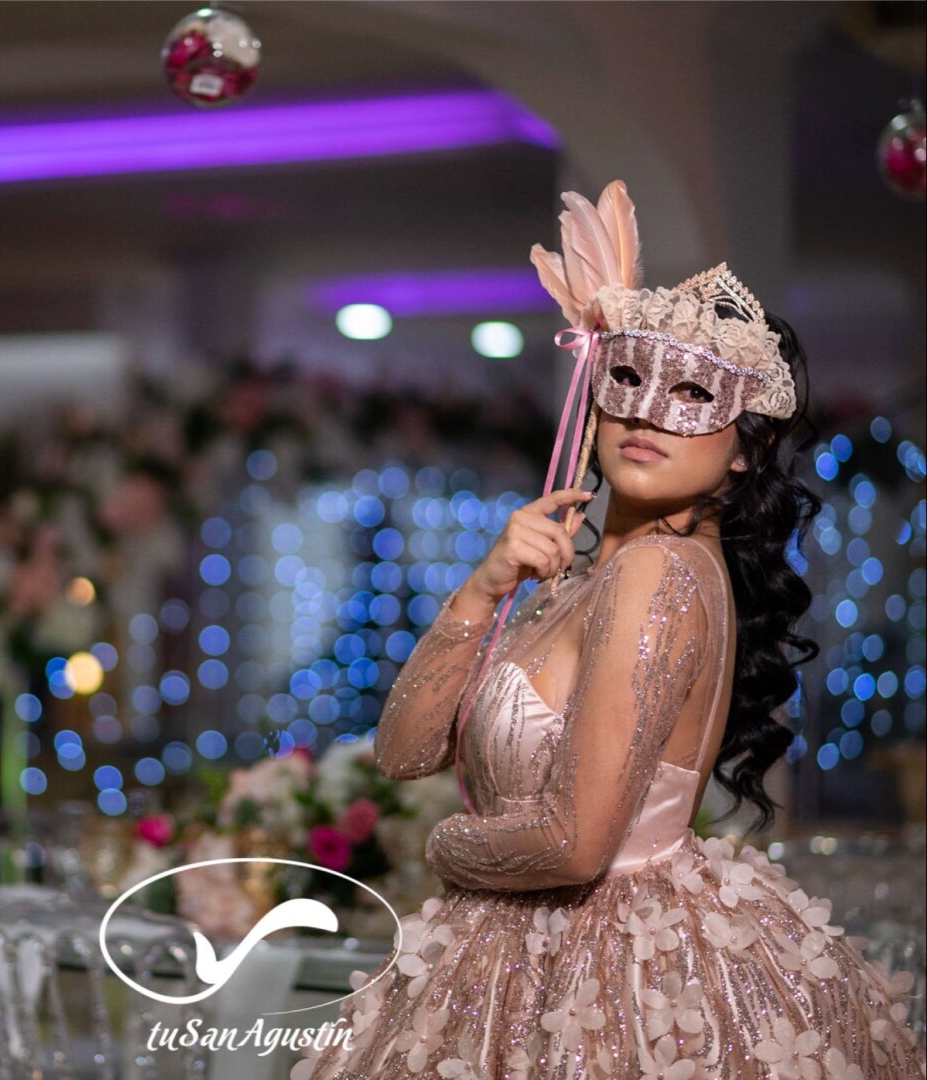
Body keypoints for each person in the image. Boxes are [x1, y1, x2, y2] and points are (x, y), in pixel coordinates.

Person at [293, 183, 925, 1079]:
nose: (647, 411)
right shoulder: (579, 581)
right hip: (530, 943)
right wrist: (484, 585)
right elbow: (402, 751)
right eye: (626, 379)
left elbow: (573, 843)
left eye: (693, 393)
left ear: (742, 449)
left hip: (599, 966)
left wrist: (435, 846)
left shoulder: (655, 570)